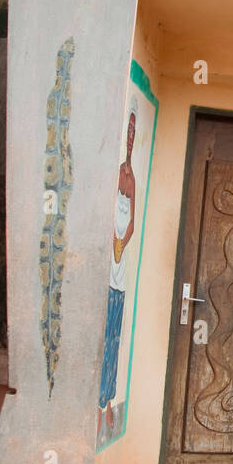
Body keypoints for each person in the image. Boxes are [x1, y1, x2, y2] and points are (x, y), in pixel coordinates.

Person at [99, 109, 138, 438]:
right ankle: (97, 405)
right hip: (106, 265)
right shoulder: (114, 173)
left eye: (133, 133)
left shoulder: (132, 178)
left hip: (120, 268)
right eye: (127, 132)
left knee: (115, 335)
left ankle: (107, 403)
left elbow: (132, 224)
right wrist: (113, 239)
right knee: (102, 335)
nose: (130, 139)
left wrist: (121, 244)